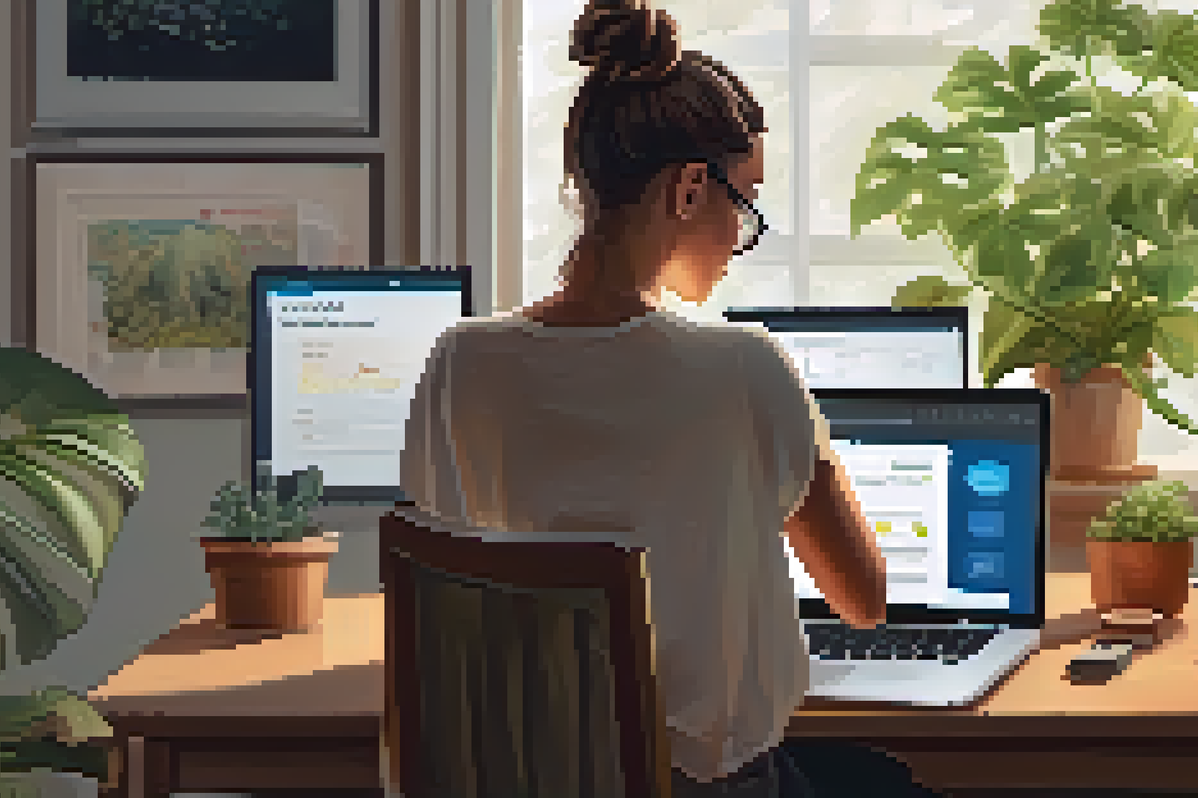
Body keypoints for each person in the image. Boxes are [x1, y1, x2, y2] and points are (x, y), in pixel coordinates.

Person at [400, 1, 943, 795]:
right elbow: (862, 600)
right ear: (691, 189)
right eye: (744, 201)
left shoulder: (459, 362)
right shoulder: (740, 366)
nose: (742, 230)